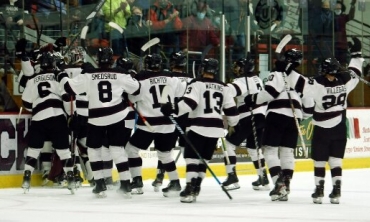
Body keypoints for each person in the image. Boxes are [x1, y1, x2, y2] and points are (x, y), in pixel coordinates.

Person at [286, 37, 363, 204]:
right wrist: (356, 53)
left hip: (322, 128)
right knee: (336, 160)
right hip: (340, 128)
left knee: (320, 160)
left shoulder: (317, 85)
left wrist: (289, 66)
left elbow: (297, 82)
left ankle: (319, 191)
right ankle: (337, 191)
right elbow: (356, 72)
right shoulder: (345, 82)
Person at [56, 47, 141, 198]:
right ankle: (126, 184)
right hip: (117, 116)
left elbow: (68, 88)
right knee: (117, 150)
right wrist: (129, 73)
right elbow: (136, 89)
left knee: (93, 150)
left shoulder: (88, 74)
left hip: (96, 118)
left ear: (97, 60)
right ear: (112, 60)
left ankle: (100, 184)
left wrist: (61, 73)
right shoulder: (120, 74)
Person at [160, 58, 239, 203]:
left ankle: (190, 187)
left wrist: (173, 109)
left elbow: (189, 104)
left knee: (191, 159)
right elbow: (232, 112)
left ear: (203, 69)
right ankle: (197, 187)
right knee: (203, 160)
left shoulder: (197, 83)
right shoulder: (225, 87)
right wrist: (234, 123)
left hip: (198, 127)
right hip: (216, 129)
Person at [244, 48, 308, 201]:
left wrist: (252, 99)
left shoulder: (278, 74)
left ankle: (278, 184)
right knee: (287, 152)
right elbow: (310, 105)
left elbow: (269, 93)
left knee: (269, 150)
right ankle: (285, 184)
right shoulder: (302, 79)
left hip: (277, 115)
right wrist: (300, 116)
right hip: (295, 117)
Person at [125, 53, 182, 196]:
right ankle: (175, 182)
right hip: (168, 122)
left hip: (148, 123)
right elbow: (181, 94)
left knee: (131, 150)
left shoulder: (141, 79)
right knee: (165, 155)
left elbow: (132, 97)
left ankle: (137, 181)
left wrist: (130, 79)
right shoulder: (172, 77)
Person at [21, 50, 76, 194]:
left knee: (34, 149)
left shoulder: (32, 79)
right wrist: (70, 114)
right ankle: (70, 178)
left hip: (39, 118)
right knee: (64, 151)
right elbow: (67, 97)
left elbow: (26, 103)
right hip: (57, 116)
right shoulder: (58, 77)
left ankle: (26, 179)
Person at [222, 56, 269, 191]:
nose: (235, 69)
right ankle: (263, 178)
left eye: (237, 66)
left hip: (248, 117)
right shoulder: (257, 79)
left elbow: (230, 91)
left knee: (228, 144)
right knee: (254, 149)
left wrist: (220, 86)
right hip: (261, 117)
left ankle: (232, 177)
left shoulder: (241, 81)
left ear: (243, 68)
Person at [151, 51, 191, 191]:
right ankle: (191, 180)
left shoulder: (169, 78)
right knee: (188, 150)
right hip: (188, 119)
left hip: (172, 117)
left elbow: (165, 100)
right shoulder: (192, 79)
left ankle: (160, 177)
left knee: (165, 150)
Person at [334, 0, 356, 66]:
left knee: (342, 64)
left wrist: (352, 5)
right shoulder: (331, 17)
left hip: (342, 45)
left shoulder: (343, 17)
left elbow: (351, 16)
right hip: (333, 44)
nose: (338, 10)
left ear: (342, 9)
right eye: (336, 8)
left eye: (339, 8)